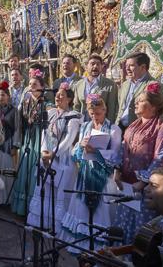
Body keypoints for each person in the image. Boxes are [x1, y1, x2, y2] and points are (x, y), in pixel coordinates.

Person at [113, 82, 163, 244]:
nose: (136, 103)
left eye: (141, 101)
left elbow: (160, 158)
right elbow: (123, 148)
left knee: (140, 232)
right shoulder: (132, 126)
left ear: (154, 107)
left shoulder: (162, 128)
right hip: (127, 187)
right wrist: (117, 170)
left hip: (145, 191)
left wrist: (142, 182)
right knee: (122, 226)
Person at [60, 94, 122, 252]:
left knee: (100, 210)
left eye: (98, 113)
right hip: (86, 173)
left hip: (102, 177)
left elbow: (115, 156)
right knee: (82, 209)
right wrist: (81, 147)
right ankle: (81, 248)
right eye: (92, 113)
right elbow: (76, 155)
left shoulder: (114, 129)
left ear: (105, 110)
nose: (95, 117)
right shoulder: (86, 126)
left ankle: (97, 249)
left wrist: (96, 151)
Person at [27, 83, 82, 233]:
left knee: (59, 192)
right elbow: (44, 133)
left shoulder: (74, 117)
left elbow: (69, 139)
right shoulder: (51, 113)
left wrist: (54, 154)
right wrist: (43, 151)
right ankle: (41, 222)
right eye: (57, 94)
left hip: (63, 158)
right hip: (47, 155)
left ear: (69, 99)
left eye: (62, 95)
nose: (58, 97)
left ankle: (56, 226)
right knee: (44, 188)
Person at [10, 70, 48, 216]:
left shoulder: (46, 104)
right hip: (28, 138)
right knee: (25, 168)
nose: (31, 87)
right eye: (30, 84)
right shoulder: (25, 102)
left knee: (34, 170)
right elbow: (20, 124)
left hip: (40, 138)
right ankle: (22, 207)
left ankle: (33, 210)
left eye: (35, 84)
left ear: (42, 87)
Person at [116, 52, 163, 130]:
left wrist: (154, 130)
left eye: (131, 65)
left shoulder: (155, 85)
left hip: (141, 130)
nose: (127, 69)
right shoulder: (125, 85)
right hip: (120, 128)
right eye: (126, 66)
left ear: (143, 67)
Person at [0, 81, 21, 204]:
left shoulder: (14, 111)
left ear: (8, 96)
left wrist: (15, 145)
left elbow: (17, 129)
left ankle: (7, 200)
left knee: (7, 173)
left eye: (3, 95)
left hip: (8, 144)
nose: (1, 97)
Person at [73, 53, 118, 123]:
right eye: (92, 64)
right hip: (83, 124)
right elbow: (76, 107)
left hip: (101, 124)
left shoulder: (110, 84)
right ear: (86, 67)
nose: (95, 66)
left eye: (98, 64)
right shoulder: (79, 84)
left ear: (101, 67)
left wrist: (108, 126)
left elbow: (111, 109)